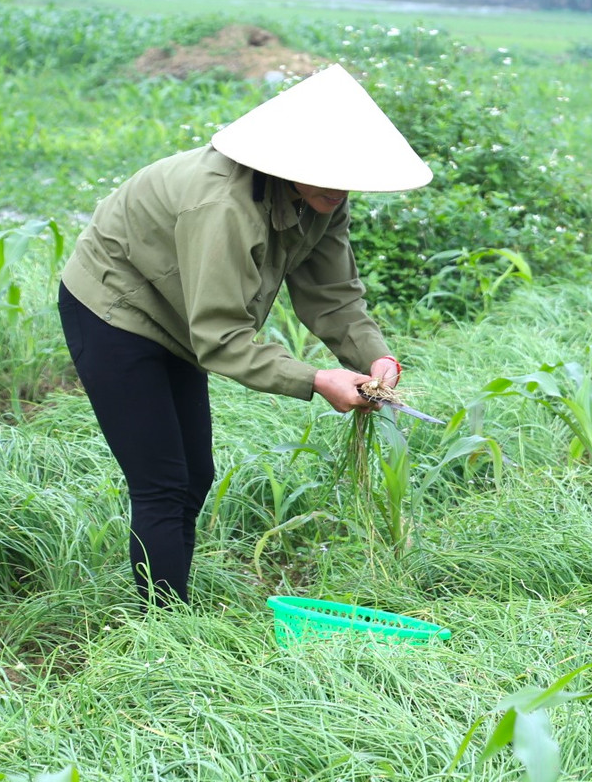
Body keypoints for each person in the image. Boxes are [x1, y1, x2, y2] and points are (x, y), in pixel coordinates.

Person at [58, 64, 432, 606]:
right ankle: (163, 626)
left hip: (179, 312)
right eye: (329, 172)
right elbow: (219, 337)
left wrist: (377, 359)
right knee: (162, 482)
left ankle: (170, 606)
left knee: (195, 475)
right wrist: (316, 379)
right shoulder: (222, 205)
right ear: (289, 159)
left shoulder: (323, 194)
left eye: (350, 173)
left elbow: (332, 296)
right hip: (116, 307)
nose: (340, 186)